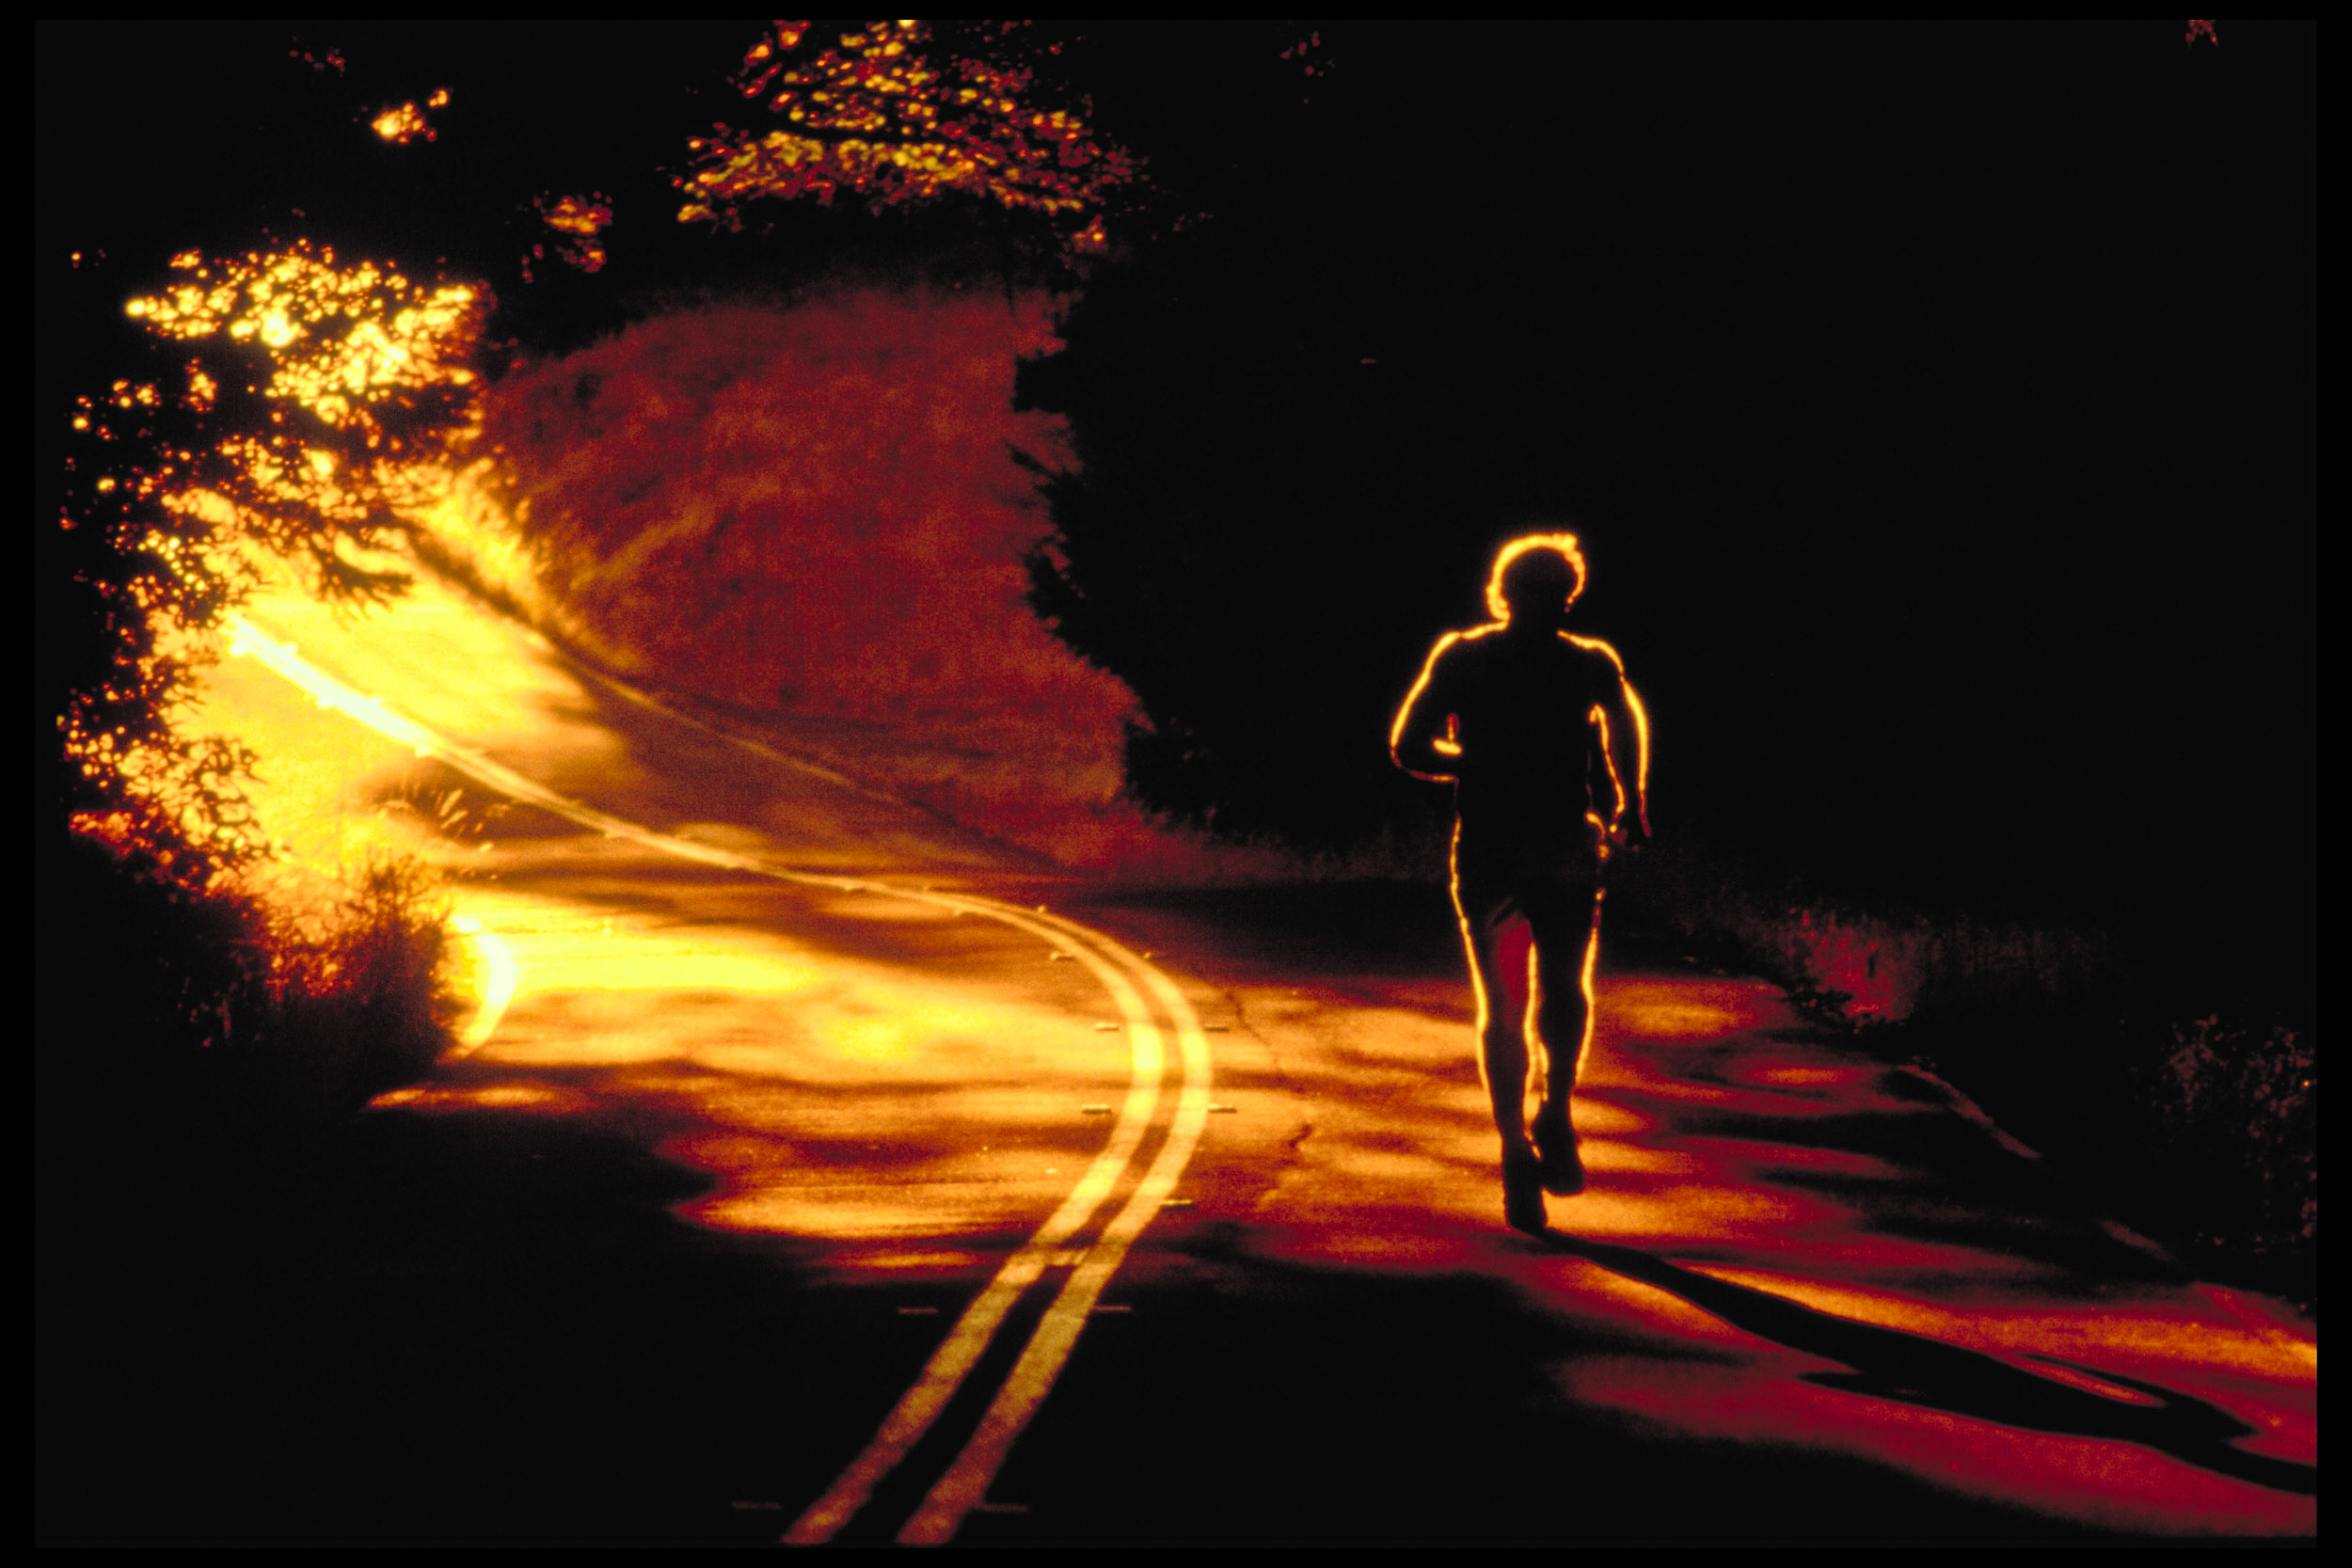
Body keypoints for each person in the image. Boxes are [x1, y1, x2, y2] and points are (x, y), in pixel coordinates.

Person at [1390, 534, 1651, 1234]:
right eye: (1540, 592)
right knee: (1538, 995)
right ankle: (1540, 1122)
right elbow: (1408, 742)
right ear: (1508, 594)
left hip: (1518, 849)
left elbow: (1411, 745)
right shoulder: (1563, 661)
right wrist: (1628, 802)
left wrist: (1471, 762)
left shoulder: (1482, 659)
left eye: (1553, 594)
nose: (1547, 606)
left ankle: (1534, 1128)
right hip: (1524, 848)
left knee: (1523, 999)